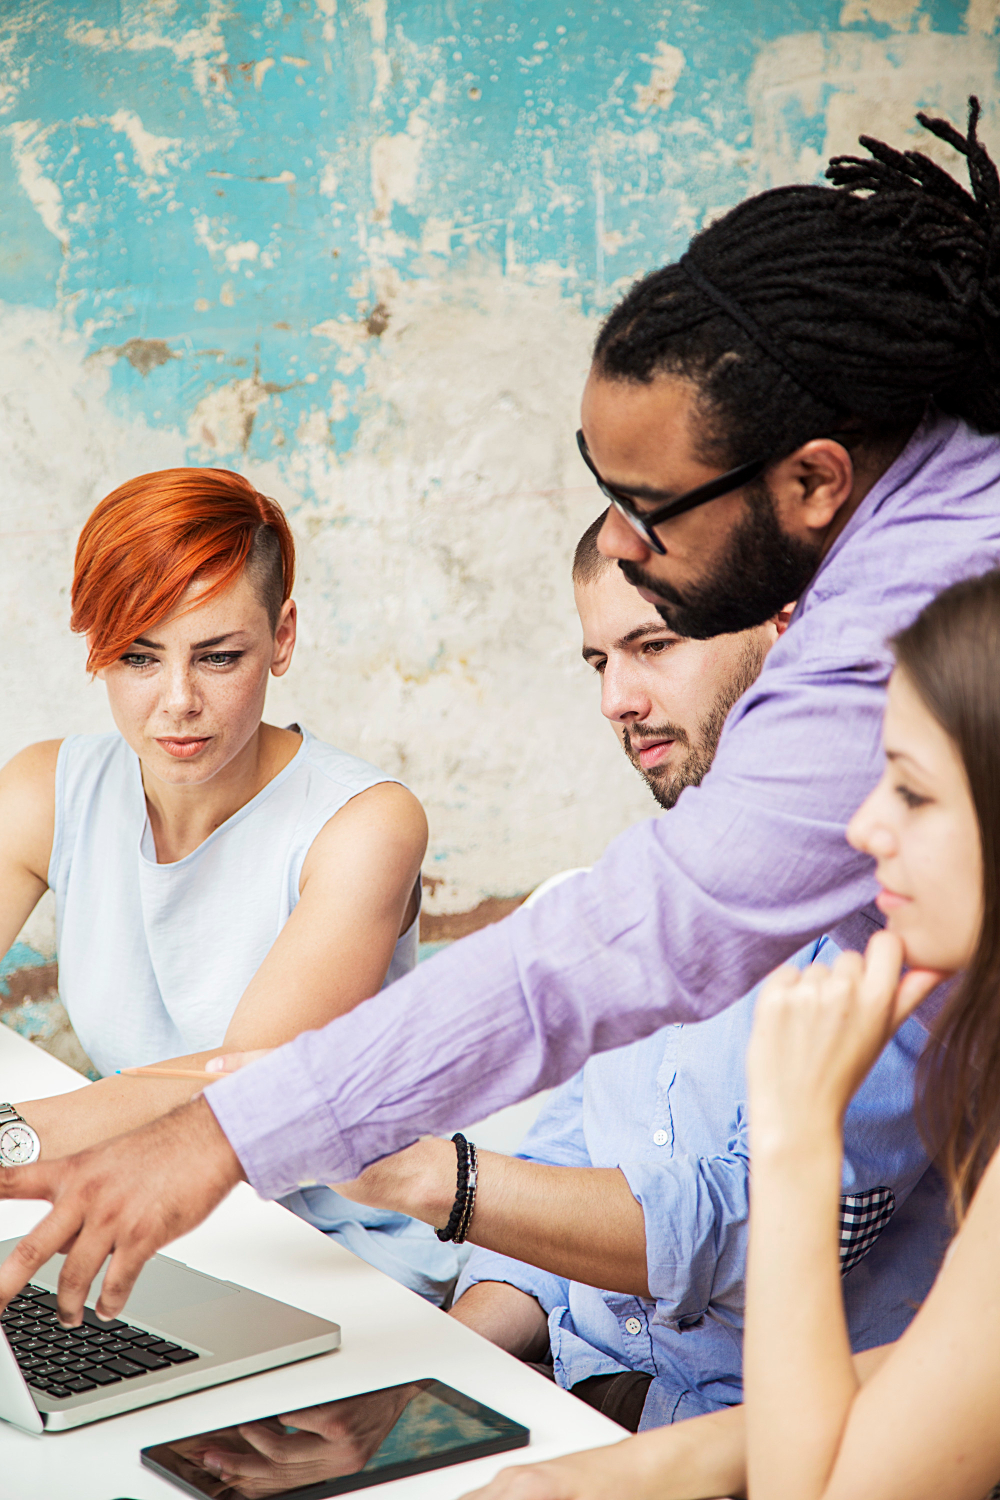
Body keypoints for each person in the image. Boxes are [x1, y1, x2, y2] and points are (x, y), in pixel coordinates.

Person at [2, 103, 1000, 1327]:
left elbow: (633, 950)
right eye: (135, 654)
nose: (622, 547)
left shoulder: (916, 618)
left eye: (648, 508)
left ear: (810, 480)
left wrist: (215, 1134)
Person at [455, 566, 1000, 1500]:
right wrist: (588, 1473)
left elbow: (822, 1481)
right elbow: (914, 1382)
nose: (866, 827)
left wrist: (793, 1134)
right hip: (609, 1404)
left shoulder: (887, 965)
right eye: (598, 661)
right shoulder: (643, 890)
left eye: (908, 788)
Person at [0, 467, 462, 1303]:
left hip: (327, 1254)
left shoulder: (365, 824)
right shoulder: (48, 790)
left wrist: (17, 1138)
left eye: (218, 657)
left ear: (282, 637)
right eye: (139, 656)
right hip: (147, 1222)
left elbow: (248, 1083)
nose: (178, 701)